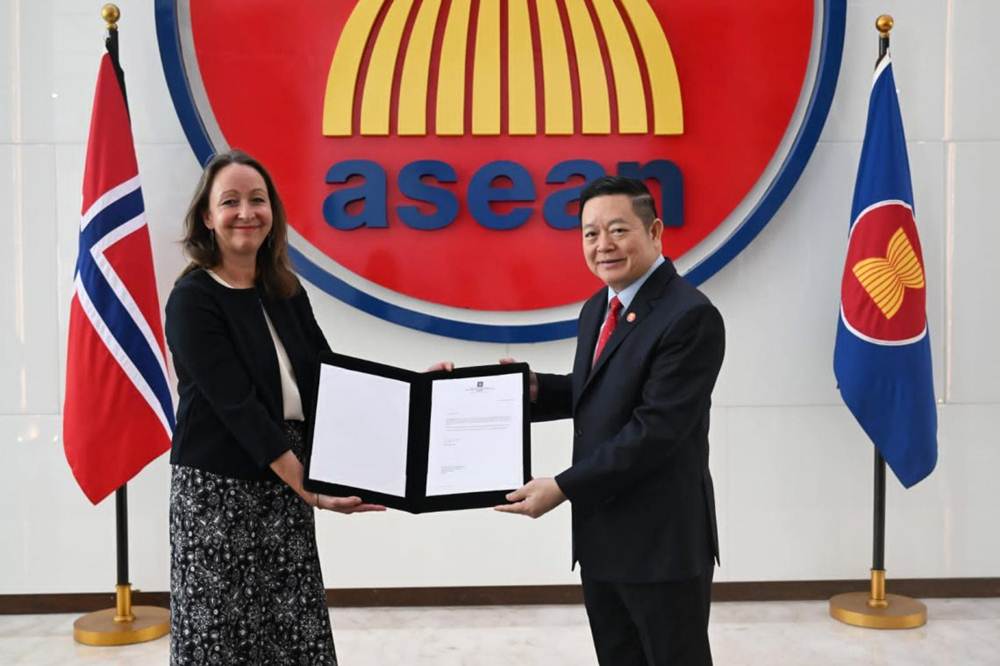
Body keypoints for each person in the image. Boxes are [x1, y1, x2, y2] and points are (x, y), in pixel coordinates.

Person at [165, 150, 384, 665]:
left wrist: (416, 392)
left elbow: (329, 375)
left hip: (284, 487)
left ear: (273, 212)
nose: (246, 212)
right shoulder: (193, 298)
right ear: (207, 217)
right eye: (230, 201)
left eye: (257, 200)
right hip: (218, 495)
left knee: (292, 636)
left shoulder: (284, 289)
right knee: (221, 641)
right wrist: (308, 485)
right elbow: (237, 406)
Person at [496, 175, 725, 665]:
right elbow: (601, 390)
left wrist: (563, 486)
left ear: (655, 231)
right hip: (602, 540)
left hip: (661, 546)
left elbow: (655, 430)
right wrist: (526, 390)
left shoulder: (690, 316)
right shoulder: (599, 307)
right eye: (591, 233)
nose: (603, 245)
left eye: (618, 230)